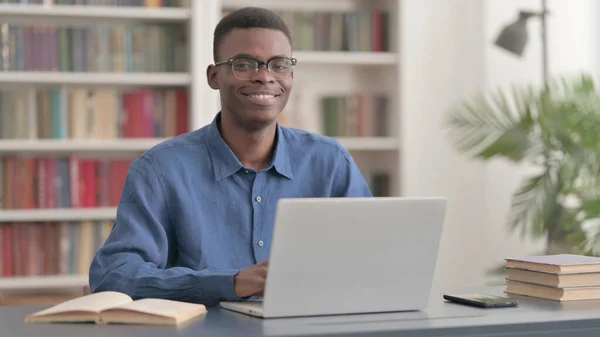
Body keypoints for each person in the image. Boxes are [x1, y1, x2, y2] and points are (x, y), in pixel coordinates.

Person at [88, 6, 372, 307]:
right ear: (214, 76)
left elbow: (373, 257)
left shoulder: (330, 162)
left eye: (279, 65)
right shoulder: (160, 170)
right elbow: (114, 275)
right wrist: (229, 284)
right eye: (245, 64)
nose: (265, 77)